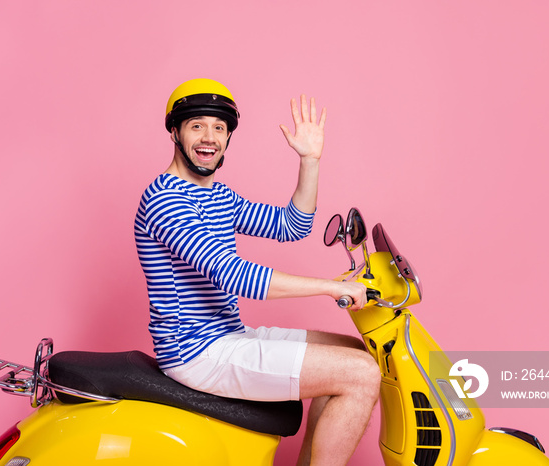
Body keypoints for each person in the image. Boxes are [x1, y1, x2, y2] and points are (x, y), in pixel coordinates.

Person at [134, 78, 380, 466]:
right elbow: (233, 275)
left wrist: (310, 161)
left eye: (219, 127)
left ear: (228, 137)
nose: (209, 136)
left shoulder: (218, 195)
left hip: (228, 336)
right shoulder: (165, 198)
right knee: (361, 374)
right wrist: (329, 287)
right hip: (197, 353)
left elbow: (291, 226)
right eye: (196, 124)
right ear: (175, 132)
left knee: (352, 352)